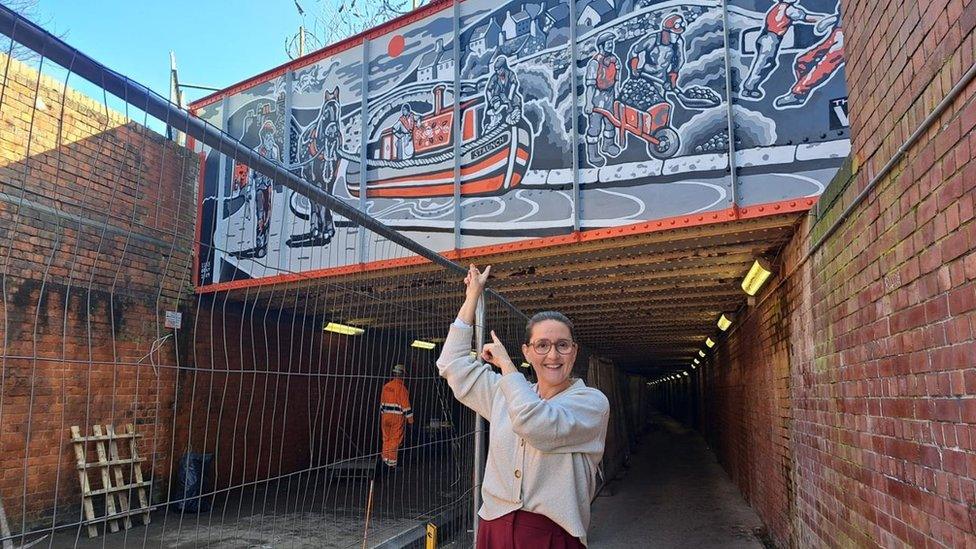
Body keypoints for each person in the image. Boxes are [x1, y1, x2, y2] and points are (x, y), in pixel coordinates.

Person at [437, 265, 610, 547]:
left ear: (574, 351)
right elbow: (452, 365)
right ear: (527, 352)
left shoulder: (591, 403)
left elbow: (536, 424)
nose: (552, 355)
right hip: (494, 525)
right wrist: (471, 298)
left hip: (552, 534)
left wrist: (507, 367)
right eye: (541, 345)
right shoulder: (507, 393)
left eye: (562, 345)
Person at [741, 0, 824, 99]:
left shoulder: (778, 7)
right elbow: (806, 17)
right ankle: (749, 88)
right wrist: (823, 19)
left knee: (766, 63)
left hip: (765, 37)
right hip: (771, 39)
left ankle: (749, 88)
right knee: (763, 64)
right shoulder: (789, 9)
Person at [584, 31, 622, 168]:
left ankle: (608, 145)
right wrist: (589, 103)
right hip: (597, 96)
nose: (611, 45)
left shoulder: (614, 60)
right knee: (595, 126)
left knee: (610, 122)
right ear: (601, 45)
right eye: (608, 43)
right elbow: (590, 85)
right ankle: (593, 153)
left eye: (612, 43)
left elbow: (617, 77)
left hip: (610, 95)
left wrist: (617, 89)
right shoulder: (594, 63)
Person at [380, 363, 414, 468]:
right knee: (395, 440)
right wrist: (411, 421)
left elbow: (382, 403)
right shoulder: (401, 388)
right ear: (403, 375)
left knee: (386, 439)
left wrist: (384, 415)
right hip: (396, 418)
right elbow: (406, 406)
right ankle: (392, 465)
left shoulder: (386, 386)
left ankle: (384, 461)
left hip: (385, 416)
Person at [484, 56, 522, 130]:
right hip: (498, 97)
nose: (498, 72)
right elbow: (488, 89)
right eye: (496, 70)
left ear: (503, 68)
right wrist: (490, 100)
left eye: (499, 69)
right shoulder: (495, 77)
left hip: (509, 96)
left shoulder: (510, 74)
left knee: (516, 101)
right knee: (495, 108)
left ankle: (512, 116)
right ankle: (493, 124)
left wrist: (510, 96)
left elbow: (514, 83)